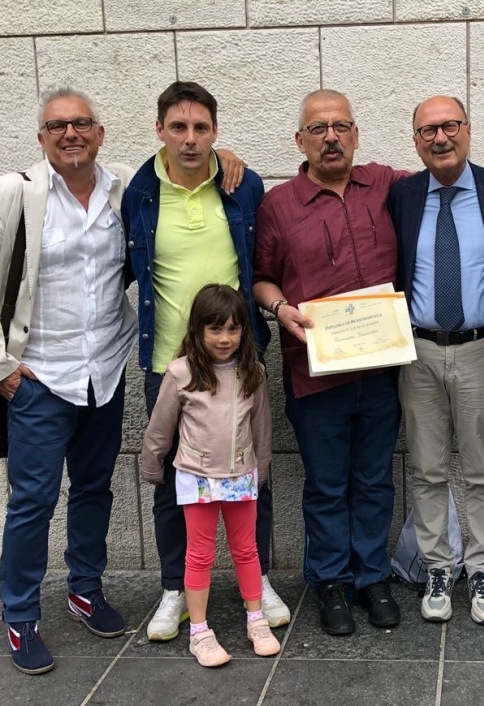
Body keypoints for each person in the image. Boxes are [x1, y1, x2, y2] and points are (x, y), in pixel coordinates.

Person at [0, 88, 136, 675]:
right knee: (32, 501)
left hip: (104, 370)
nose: (70, 134)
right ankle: (20, 616)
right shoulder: (15, 193)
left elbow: (189, 173)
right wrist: (1, 369)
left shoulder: (123, 190)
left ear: (100, 132)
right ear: (41, 138)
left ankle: (85, 588)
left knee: (94, 488)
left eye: (81, 123)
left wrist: (226, 158)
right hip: (38, 379)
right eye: (57, 125)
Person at [121, 81, 290, 643]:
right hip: (170, 363)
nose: (189, 140)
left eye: (200, 128)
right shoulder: (141, 194)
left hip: (240, 359)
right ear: (160, 130)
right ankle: (174, 588)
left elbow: (265, 257)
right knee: (173, 480)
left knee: (252, 473)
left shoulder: (242, 186)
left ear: (216, 131)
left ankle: (257, 578)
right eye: (178, 128)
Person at [253, 89, 408, 636]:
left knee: (373, 479)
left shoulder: (387, 184)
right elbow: (261, 276)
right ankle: (332, 583)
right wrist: (279, 308)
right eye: (318, 129)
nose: (331, 137)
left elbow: (448, 176)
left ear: (357, 134)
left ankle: (371, 576)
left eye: (341, 126)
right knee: (324, 484)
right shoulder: (279, 205)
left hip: (383, 371)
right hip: (314, 373)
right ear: (300, 141)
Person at [387, 96, 484, 625]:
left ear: (468, 128)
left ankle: (481, 568)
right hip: (416, 350)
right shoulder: (401, 194)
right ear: (415, 140)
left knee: (482, 468)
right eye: (427, 130)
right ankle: (439, 565)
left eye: (450, 126)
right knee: (427, 467)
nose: (440, 138)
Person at [140, 284, 280, 667]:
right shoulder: (181, 372)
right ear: (198, 330)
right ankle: (199, 631)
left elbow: (262, 429)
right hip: (196, 477)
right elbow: (160, 428)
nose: (224, 339)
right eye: (215, 329)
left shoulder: (254, 372)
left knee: (247, 549)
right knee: (199, 554)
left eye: (234, 329)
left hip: (241, 475)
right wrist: (152, 466)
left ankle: (256, 619)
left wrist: (260, 471)